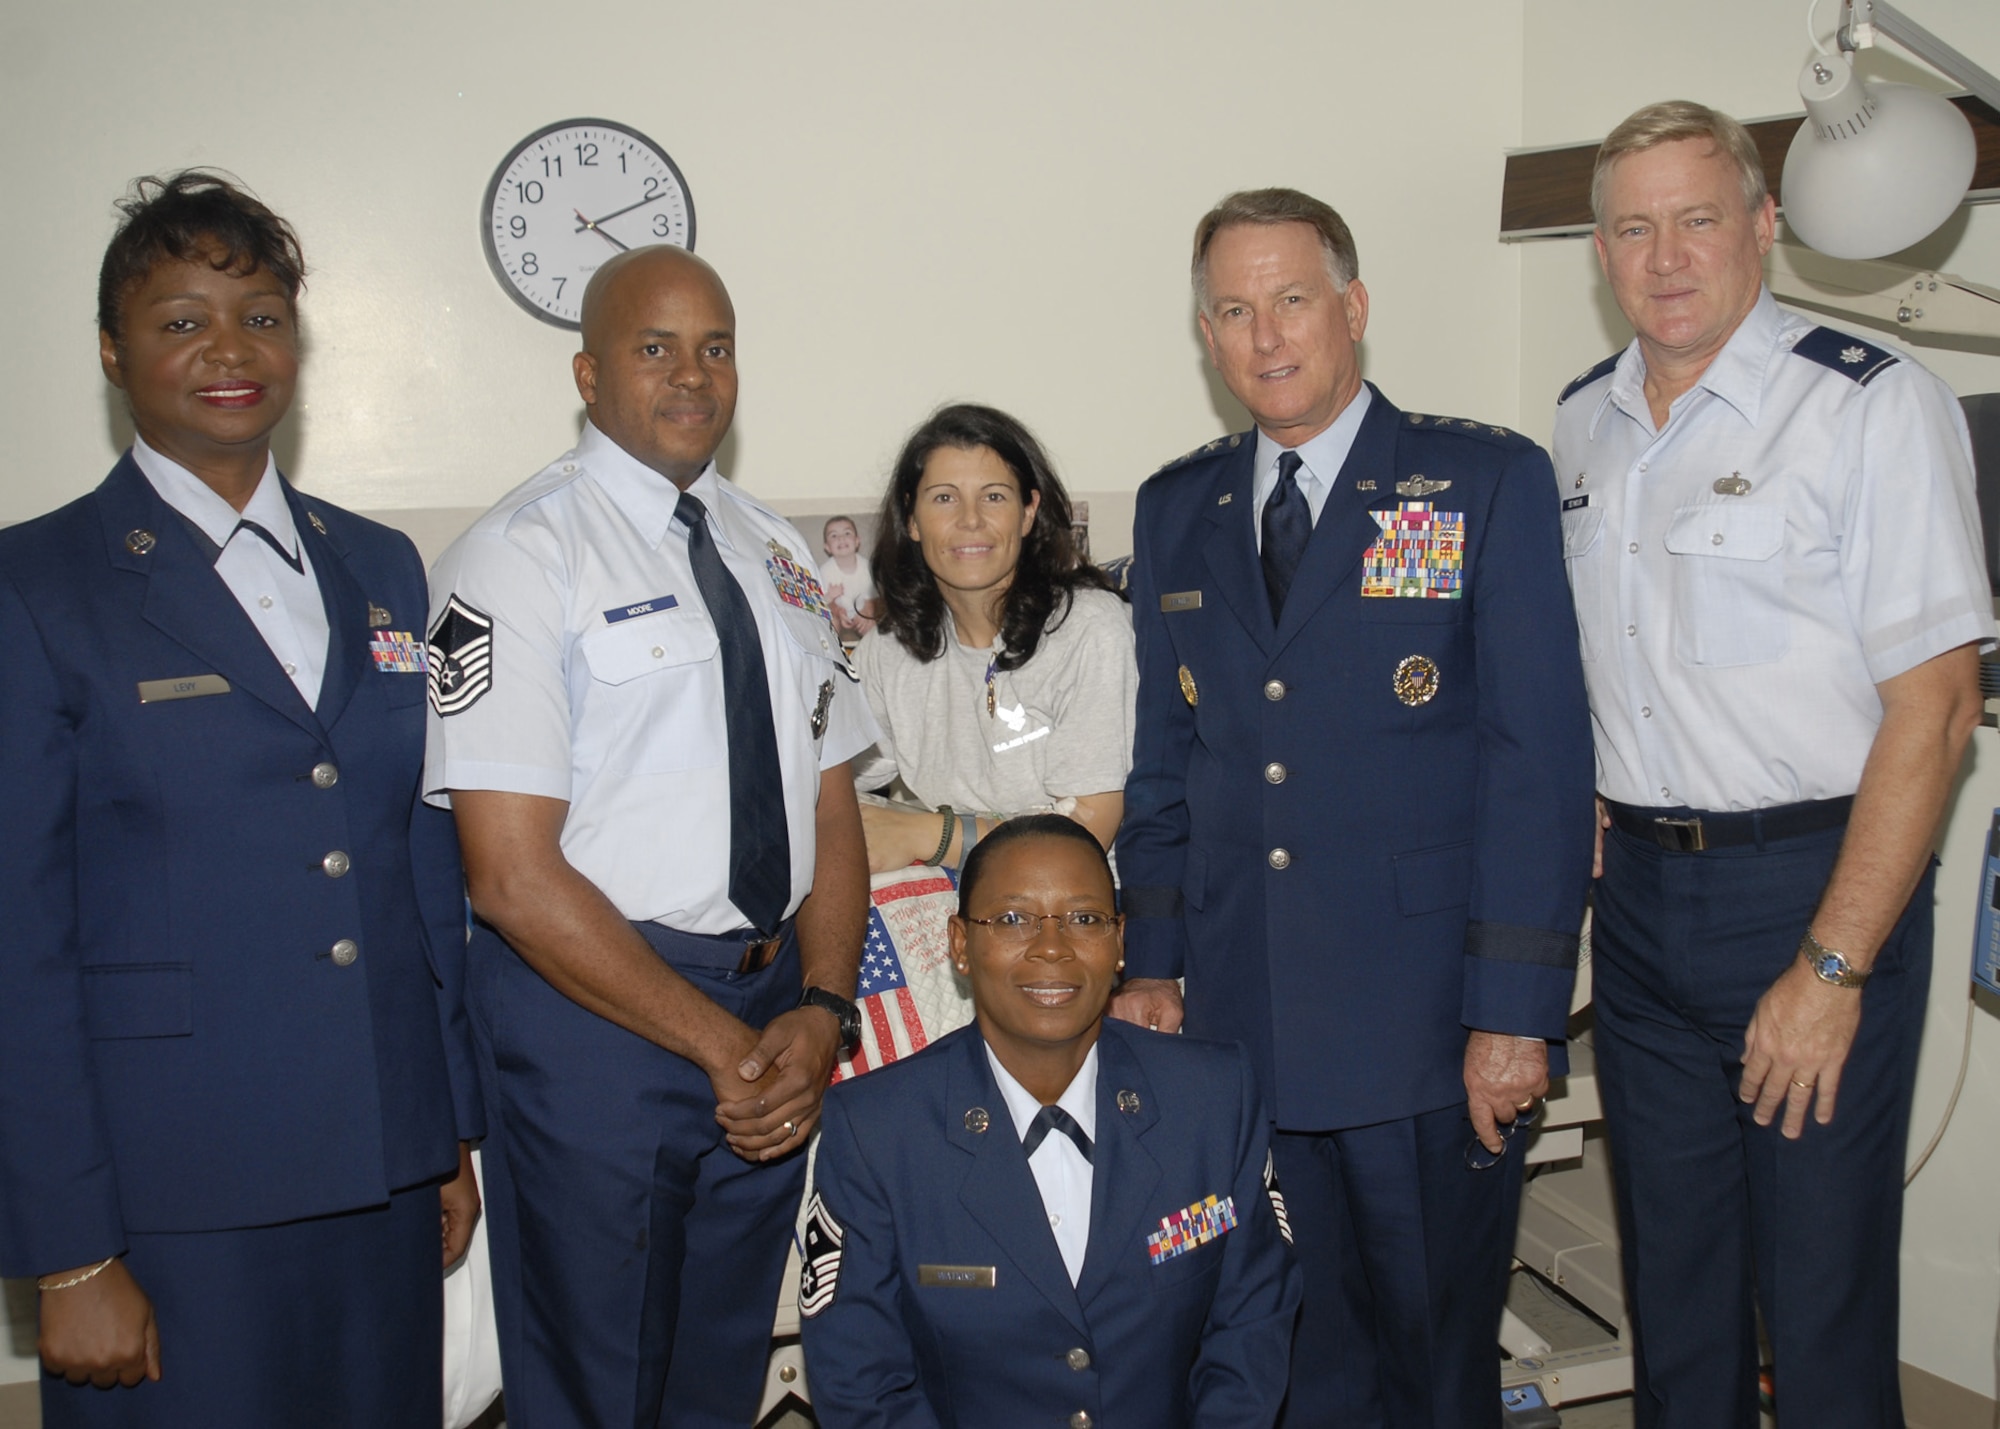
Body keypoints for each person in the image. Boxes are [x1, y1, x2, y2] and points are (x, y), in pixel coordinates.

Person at [0, 171, 481, 1427]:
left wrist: (447, 1132)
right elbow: (17, 940)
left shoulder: (376, 564)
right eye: (181, 318)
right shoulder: (37, 584)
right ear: (114, 350)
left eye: (261, 315)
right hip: (169, 1195)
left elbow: (414, 860)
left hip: (382, 1171)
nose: (229, 348)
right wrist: (69, 1249)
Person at [1113, 188, 1594, 1427]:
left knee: (1433, 1361)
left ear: (1352, 309)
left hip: (1422, 1026)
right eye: (1231, 309)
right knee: (1280, 1350)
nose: (1265, 337)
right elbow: (1167, 758)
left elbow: (1535, 768)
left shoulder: (1478, 480)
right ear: (1204, 333)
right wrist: (1153, 963)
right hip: (1240, 1022)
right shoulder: (1177, 509)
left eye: (1290, 300)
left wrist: (1513, 1013)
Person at [1552, 102, 1991, 1429]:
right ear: (1601, 250)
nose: (1666, 253)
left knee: (1817, 1302)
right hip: (1637, 906)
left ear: (1763, 225)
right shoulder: (1583, 426)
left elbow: (1940, 708)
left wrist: (1836, 965)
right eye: (1634, 226)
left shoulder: (1871, 405)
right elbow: (1608, 656)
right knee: (1673, 1291)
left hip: (1811, 893)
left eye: (1697, 218)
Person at [424, 243, 875, 1429]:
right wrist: (722, 1049)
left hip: (769, 1001)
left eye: (714, 347)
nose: (692, 374)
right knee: (595, 1377)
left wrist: (818, 1012)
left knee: (716, 1369)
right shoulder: (518, 556)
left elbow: (827, 799)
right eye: (655, 347)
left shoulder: (773, 550)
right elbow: (511, 877)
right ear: (587, 374)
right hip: (598, 1023)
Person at [800, 815, 1301, 1427]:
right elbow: (862, 1382)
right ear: (959, 943)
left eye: (1085, 919)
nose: (1052, 946)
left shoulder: (1212, 1099)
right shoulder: (877, 1131)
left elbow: (1251, 1329)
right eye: (1012, 919)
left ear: (1121, 943)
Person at [855, 403, 1135, 876]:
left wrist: (927, 833)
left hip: (1068, 905)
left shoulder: (1090, 628)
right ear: (912, 519)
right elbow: (821, 780)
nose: (970, 520)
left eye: (994, 497)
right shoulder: (889, 650)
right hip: (956, 896)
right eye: (944, 498)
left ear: (1028, 514)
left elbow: (1085, 835)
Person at [821, 515, 878, 640]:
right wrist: (839, 612)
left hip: (863, 612)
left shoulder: (867, 567)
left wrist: (866, 613)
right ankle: (834, 653)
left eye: (847, 533)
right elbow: (824, 601)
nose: (841, 538)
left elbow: (873, 599)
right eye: (834, 536)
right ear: (827, 547)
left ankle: (868, 652)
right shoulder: (826, 571)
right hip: (840, 614)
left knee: (873, 627)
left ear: (857, 541)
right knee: (830, 623)